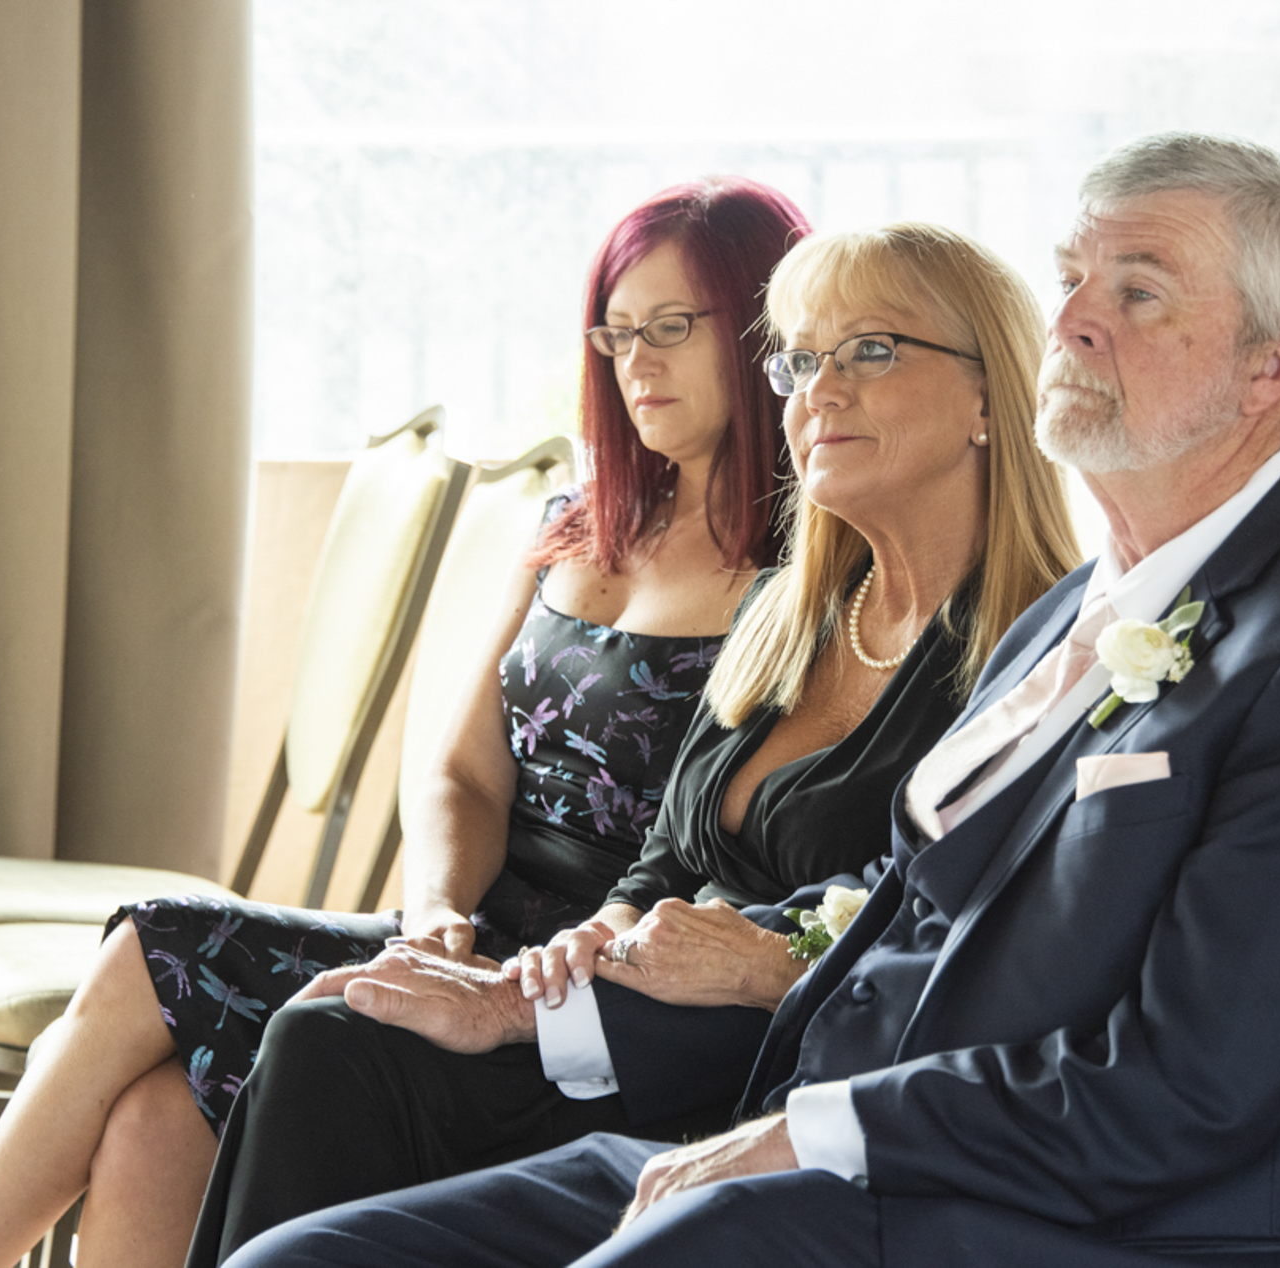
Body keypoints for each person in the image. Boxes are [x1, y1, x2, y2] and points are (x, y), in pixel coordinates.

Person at [222, 131, 1280, 1268]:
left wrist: (804, 1131)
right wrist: (528, 1013)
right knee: (304, 1247)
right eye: (1070, 280)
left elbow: (1188, 1094)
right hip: (840, 1156)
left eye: (1138, 292)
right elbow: (887, 941)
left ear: (1271, 367)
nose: (1071, 322)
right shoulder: (1090, 607)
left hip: (1070, 1223)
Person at [0, 175, 810, 1268]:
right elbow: (460, 777)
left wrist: (503, 960)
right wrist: (434, 914)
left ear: (764, 326)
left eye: (671, 327)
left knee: (154, 946)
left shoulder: (804, 573)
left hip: (580, 981)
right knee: (153, 1112)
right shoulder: (581, 523)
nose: (638, 364)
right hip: (469, 926)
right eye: (616, 334)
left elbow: (743, 857)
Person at [180, 221, 1082, 1263]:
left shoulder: (1032, 661)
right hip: (613, 1028)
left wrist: (749, 963)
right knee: (334, 1028)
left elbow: (948, 952)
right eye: (798, 357)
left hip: (749, 1085)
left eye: (871, 349)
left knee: (337, 1048)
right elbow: (660, 863)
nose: (818, 390)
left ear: (989, 393)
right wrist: (572, 954)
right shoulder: (791, 612)